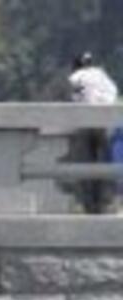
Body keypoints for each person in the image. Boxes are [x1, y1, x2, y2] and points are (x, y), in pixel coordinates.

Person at [68, 52, 118, 214]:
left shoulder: (75, 77)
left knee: (85, 163)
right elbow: (113, 93)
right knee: (104, 162)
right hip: (104, 122)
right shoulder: (101, 75)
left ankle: (88, 203)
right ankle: (106, 201)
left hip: (84, 123)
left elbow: (74, 99)